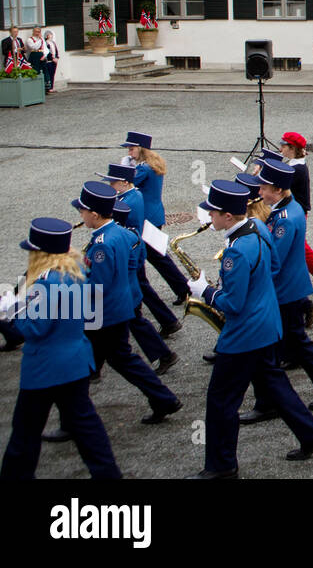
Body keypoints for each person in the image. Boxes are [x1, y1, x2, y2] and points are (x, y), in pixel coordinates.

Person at [186, 180, 313, 478]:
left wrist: (205, 291)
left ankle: (222, 466)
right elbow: (273, 266)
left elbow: (233, 305)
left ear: (228, 216)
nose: (208, 217)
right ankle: (311, 433)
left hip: (245, 334)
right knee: (274, 384)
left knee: (221, 400)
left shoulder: (237, 251)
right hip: (267, 324)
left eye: (213, 212)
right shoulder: (259, 228)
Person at [0, 218, 121, 480]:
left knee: (24, 433)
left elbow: (34, 330)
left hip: (45, 368)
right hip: (76, 360)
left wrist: (13, 309)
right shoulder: (77, 269)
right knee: (87, 427)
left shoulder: (44, 282)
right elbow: (92, 314)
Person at [240, 158, 313, 421]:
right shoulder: (287, 209)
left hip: (284, 291)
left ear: (277, 190)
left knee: (276, 348)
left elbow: (273, 259)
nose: (260, 192)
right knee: (293, 344)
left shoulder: (285, 219)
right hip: (290, 288)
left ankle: (269, 402)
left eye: (263, 188)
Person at [70, 181, 183, 425]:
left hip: (105, 313)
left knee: (85, 361)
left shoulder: (101, 245)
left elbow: (97, 287)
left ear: (95, 214)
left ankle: (73, 419)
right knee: (116, 360)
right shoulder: (121, 233)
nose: (81, 215)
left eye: (83, 211)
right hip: (120, 307)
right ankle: (162, 398)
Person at [121, 130, 191, 306]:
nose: (129, 152)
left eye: (131, 149)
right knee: (158, 257)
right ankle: (183, 288)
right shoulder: (153, 164)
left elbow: (125, 186)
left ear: (141, 149)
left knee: (151, 257)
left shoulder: (143, 169)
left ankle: (182, 289)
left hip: (144, 219)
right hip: (154, 215)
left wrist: (126, 169)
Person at [278, 131, 313, 293]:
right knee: (299, 247)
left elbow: (279, 187)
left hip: (296, 212)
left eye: (283, 146)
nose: (280, 148)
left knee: (301, 248)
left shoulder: (296, 169)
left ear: (292, 148)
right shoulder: (295, 165)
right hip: (295, 211)